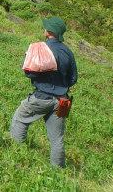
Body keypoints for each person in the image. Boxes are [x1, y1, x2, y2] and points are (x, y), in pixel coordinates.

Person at [10, 17, 78, 168]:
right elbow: (73, 78)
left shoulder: (39, 48)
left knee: (19, 119)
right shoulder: (68, 52)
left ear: (48, 32)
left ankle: (15, 155)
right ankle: (58, 173)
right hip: (61, 101)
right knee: (57, 139)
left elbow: (29, 73)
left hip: (41, 97)